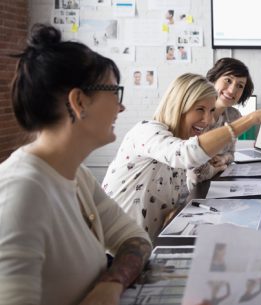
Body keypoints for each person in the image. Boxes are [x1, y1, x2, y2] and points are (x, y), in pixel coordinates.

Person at [0, 24, 151, 305]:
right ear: (79, 101)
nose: (121, 108)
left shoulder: (76, 174)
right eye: (114, 93)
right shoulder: (21, 193)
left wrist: (111, 284)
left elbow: (135, 238)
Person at [102, 73, 261, 240]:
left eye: (211, 111)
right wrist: (252, 119)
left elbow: (187, 184)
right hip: (114, 252)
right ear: (178, 106)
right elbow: (186, 154)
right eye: (200, 109)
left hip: (146, 245)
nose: (209, 120)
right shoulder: (146, 130)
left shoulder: (181, 140)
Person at [204, 57, 256, 168]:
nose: (232, 90)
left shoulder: (234, 116)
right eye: (228, 80)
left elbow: (231, 153)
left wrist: (224, 159)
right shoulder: (196, 114)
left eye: (240, 86)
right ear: (214, 79)